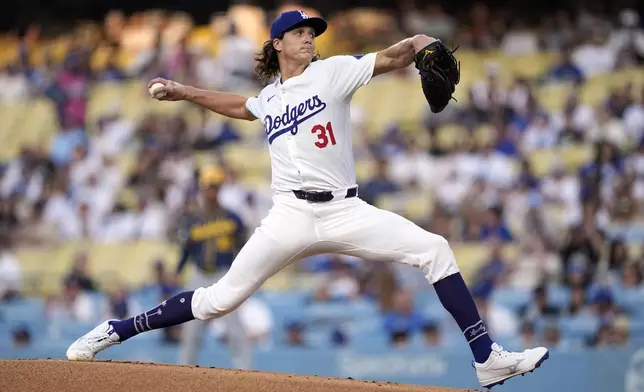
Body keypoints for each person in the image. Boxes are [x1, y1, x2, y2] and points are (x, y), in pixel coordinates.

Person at [66, 10, 548, 389]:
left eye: (311, 31)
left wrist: (423, 44)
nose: (308, 37)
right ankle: (115, 330)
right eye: (298, 32)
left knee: (435, 248)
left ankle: (487, 359)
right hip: (290, 215)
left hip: (345, 209)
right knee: (217, 301)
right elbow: (241, 106)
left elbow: (396, 55)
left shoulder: (333, 72)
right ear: (277, 44)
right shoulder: (270, 97)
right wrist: (184, 91)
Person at [173, 165, 251, 369]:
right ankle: (184, 370)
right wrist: (178, 271)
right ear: (202, 188)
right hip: (199, 275)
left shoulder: (232, 218)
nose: (212, 191)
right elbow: (186, 250)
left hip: (224, 275)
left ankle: (245, 372)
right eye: (209, 187)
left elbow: (246, 248)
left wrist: (242, 274)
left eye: (215, 187)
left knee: (234, 327)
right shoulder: (192, 219)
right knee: (191, 327)